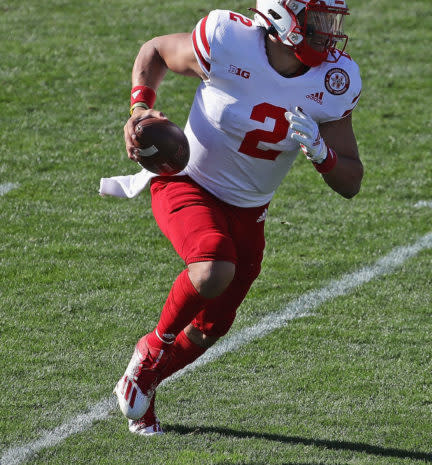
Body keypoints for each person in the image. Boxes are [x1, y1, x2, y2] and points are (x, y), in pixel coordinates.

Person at [107, 0, 363, 436]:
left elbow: (351, 179)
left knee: (212, 328)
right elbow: (155, 51)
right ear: (284, 19)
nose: (328, 31)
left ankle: (145, 381)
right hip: (187, 182)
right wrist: (139, 109)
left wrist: (324, 155)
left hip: (250, 210)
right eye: (318, 20)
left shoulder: (334, 80)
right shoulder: (228, 40)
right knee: (212, 267)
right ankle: (151, 348)